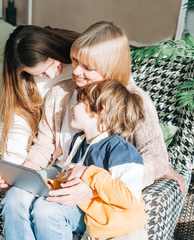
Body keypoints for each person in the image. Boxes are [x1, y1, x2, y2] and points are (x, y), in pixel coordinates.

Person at [0, 21, 186, 240]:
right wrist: (25, 172)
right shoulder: (60, 93)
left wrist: (95, 186)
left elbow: (155, 157)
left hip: (99, 188)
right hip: (62, 172)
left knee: (45, 210)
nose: (76, 71)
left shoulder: (133, 102)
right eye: (75, 60)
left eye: (88, 67)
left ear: (111, 67)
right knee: (15, 197)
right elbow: (44, 145)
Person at [0, 25, 80, 239]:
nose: (50, 74)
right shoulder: (25, 80)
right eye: (40, 73)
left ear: (53, 47)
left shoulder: (79, 59)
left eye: (52, 65)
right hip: (37, 127)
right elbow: (20, 124)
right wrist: (12, 171)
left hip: (57, 135)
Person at [46, 80, 148, 239]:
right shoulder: (79, 142)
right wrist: (53, 186)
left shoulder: (122, 150)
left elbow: (130, 198)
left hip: (123, 232)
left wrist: (88, 172)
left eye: (80, 102)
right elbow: (73, 180)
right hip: (97, 229)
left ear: (100, 110)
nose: (72, 107)